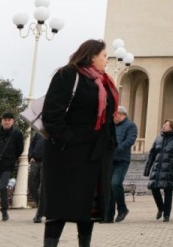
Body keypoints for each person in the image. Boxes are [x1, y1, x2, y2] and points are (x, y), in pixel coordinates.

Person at [41, 39, 118, 247]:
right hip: (67, 154)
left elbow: (109, 116)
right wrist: (70, 140)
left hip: (95, 155)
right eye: (104, 56)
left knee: (87, 209)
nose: (106, 60)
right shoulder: (68, 75)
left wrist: (110, 145)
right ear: (92, 56)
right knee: (60, 207)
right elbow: (51, 114)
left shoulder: (104, 81)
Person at [144, 119, 173, 222]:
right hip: (157, 168)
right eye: (164, 124)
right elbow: (152, 154)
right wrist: (147, 169)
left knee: (168, 192)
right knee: (154, 188)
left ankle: (166, 215)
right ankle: (161, 207)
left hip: (170, 169)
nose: (164, 126)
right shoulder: (158, 138)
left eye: (166, 125)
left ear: (172, 127)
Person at [108, 105, 137, 222]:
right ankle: (108, 216)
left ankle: (122, 209)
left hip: (122, 160)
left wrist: (116, 149)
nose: (113, 117)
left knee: (115, 183)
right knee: (109, 187)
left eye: (114, 115)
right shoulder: (111, 126)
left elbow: (130, 140)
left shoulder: (130, 125)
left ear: (121, 114)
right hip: (110, 160)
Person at [29, 130, 45, 223]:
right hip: (35, 161)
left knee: (43, 188)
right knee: (31, 186)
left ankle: (39, 214)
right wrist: (31, 156)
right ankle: (42, 207)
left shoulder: (54, 130)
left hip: (46, 162)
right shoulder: (38, 132)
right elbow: (32, 144)